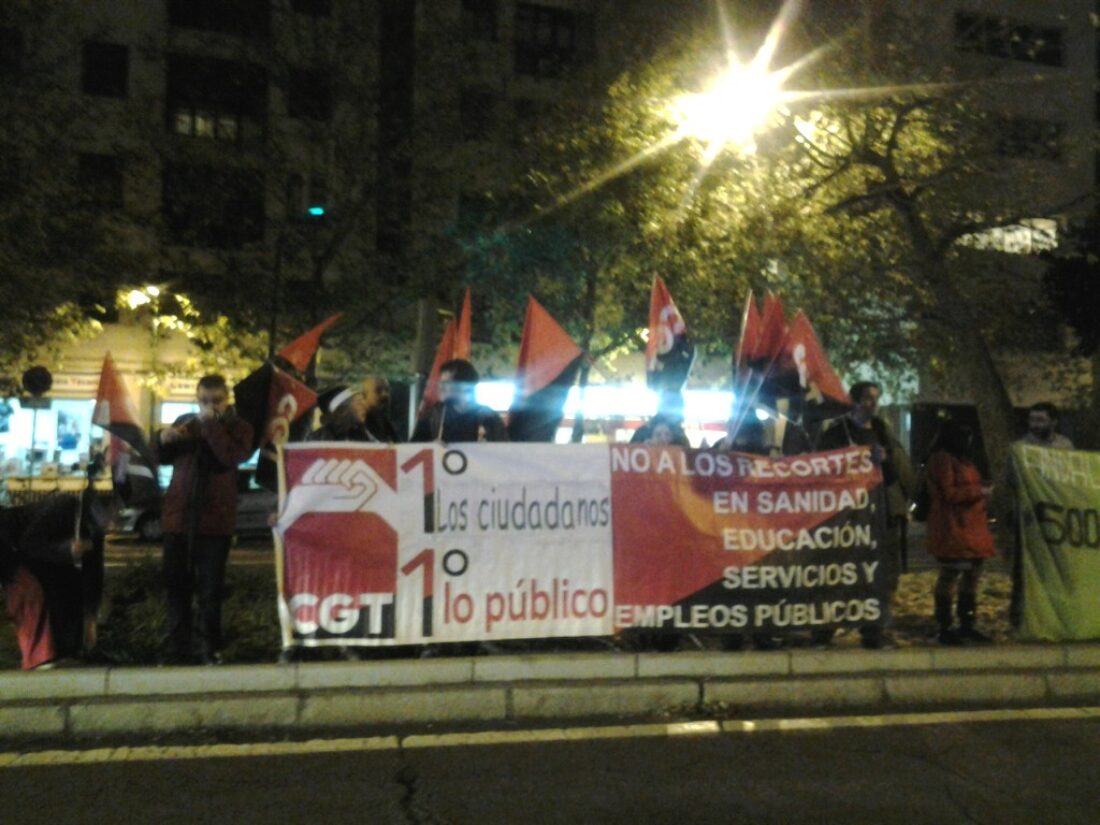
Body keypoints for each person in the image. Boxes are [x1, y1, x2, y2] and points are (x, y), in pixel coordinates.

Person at [155, 374, 253, 665]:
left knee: (210, 591)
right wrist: (162, 439)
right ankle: (177, 650)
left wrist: (211, 424)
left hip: (214, 523)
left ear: (227, 400)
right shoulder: (187, 421)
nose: (209, 406)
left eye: (216, 401)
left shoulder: (240, 428)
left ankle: (209, 650)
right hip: (179, 520)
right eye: (203, 401)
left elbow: (228, 457)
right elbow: (162, 456)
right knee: (176, 589)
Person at [815, 381, 916, 649]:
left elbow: (897, 474)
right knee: (841, 573)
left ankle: (873, 630)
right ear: (854, 401)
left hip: (881, 516)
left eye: (876, 399)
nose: (873, 404)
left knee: (880, 576)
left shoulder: (883, 432)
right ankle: (824, 631)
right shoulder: (838, 432)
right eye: (867, 399)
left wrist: (887, 459)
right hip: (848, 518)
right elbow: (822, 469)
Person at [926, 420, 996, 645]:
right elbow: (950, 493)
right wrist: (980, 491)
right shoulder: (943, 459)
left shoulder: (963, 460)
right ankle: (944, 626)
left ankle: (967, 624)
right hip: (954, 527)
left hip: (971, 528)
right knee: (950, 576)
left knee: (970, 577)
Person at [1005, 401, 1074, 627]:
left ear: (1053, 422)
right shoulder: (1020, 448)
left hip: (1057, 519)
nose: (1034, 425)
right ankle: (1020, 618)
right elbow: (1012, 481)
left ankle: (1056, 616)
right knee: (1024, 569)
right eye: (1032, 420)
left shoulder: (1065, 447)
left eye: (1040, 420)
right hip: (1028, 519)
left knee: (1056, 568)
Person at [411, 359, 507, 443]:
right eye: (440, 383)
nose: (441, 387)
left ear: (465, 386)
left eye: (447, 383)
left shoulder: (488, 417)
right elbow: (413, 449)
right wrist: (430, 447)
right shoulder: (435, 414)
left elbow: (504, 452)